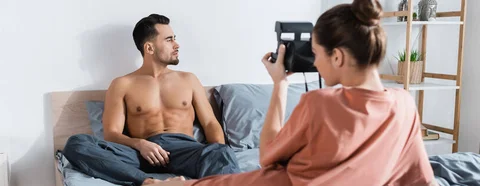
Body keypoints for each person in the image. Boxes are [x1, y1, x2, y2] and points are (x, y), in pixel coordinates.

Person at [149, 0, 437, 186]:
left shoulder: (319, 102)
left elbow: (267, 156)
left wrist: (280, 85)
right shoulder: (405, 104)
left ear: (337, 57)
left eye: (315, 54)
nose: (314, 63)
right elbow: (420, 178)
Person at [62, 14, 240, 186]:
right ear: (149, 48)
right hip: (141, 154)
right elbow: (111, 134)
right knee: (76, 143)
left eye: (174, 38)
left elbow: (210, 123)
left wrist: (216, 154)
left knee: (221, 151)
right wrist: (140, 144)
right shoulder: (122, 84)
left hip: (185, 151)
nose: (176, 45)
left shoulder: (188, 80)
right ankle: (147, 182)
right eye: (169, 40)